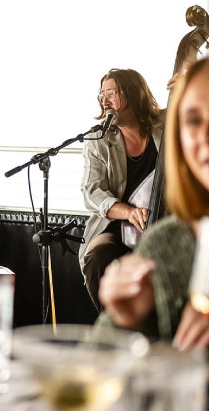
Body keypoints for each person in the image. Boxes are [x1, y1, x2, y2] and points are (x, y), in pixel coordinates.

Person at [98, 54, 209, 358]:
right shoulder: (166, 242)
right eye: (193, 120)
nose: (206, 135)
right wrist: (128, 321)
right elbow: (96, 367)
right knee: (97, 253)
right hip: (119, 222)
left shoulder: (156, 125)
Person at [80, 68, 164, 309]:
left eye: (112, 93)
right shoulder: (98, 140)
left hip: (162, 222)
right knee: (97, 258)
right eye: (101, 95)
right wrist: (128, 212)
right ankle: (113, 327)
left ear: (133, 94)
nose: (105, 102)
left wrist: (187, 84)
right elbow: (91, 192)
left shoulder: (165, 123)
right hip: (116, 226)